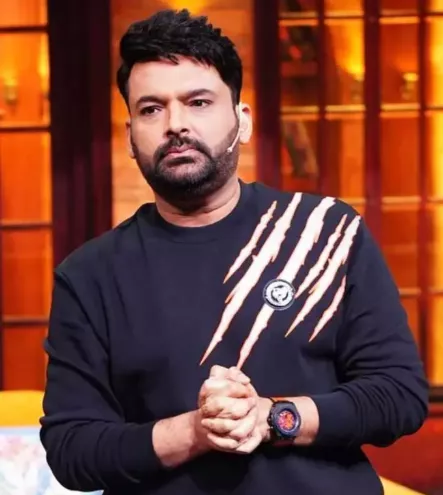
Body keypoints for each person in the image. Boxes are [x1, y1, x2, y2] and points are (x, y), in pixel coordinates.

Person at [40, 8, 429, 495]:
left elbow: (398, 394)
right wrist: (196, 431)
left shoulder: (326, 232)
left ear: (242, 121)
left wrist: (272, 417)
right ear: (130, 138)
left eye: (198, 102)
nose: (176, 125)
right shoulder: (90, 275)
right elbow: (71, 449)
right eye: (151, 109)